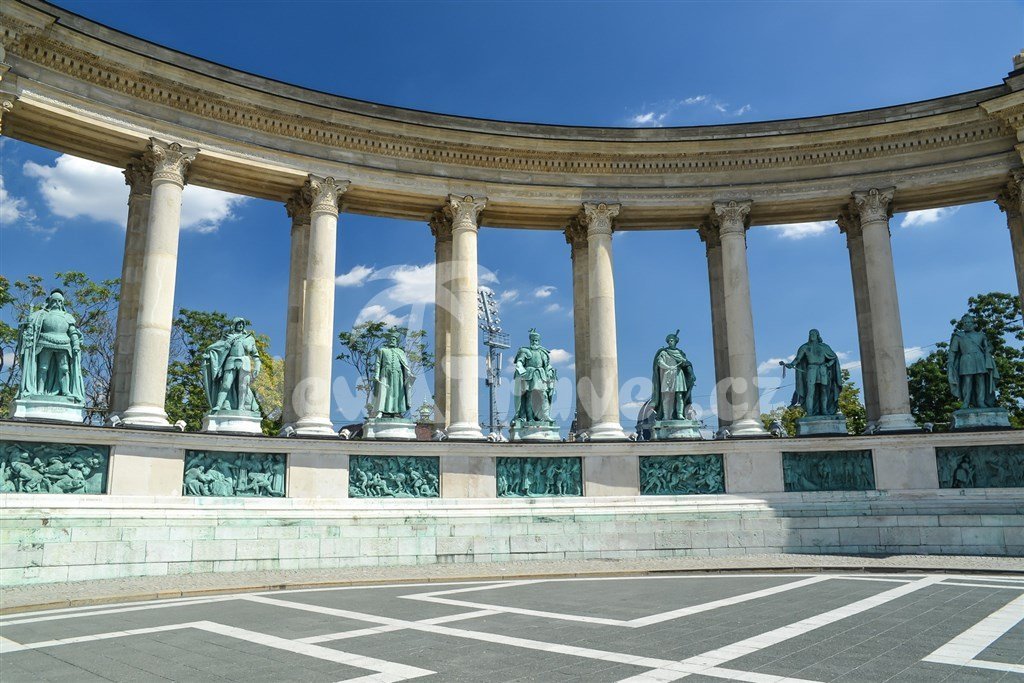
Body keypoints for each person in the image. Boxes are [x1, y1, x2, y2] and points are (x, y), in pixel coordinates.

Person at [16, 290, 85, 402]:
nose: (57, 303)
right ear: (50, 301)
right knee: (43, 367)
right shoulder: (41, 315)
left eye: (59, 301)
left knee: (64, 368)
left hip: (64, 343)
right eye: (54, 301)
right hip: (45, 343)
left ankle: (66, 391)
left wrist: (76, 344)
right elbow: (32, 326)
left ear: (62, 303)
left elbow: (73, 331)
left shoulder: (67, 316)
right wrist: (30, 324)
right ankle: (40, 390)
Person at [201, 318, 262, 413]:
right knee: (225, 385)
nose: (241, 325)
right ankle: (218, 405)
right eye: (239, 323)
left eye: (242, 324)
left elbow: (256, 355)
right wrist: (209, 356)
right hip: (231, 361)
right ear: (234, 325)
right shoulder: (227, 337)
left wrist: (257, 367)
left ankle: (241, 407)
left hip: (245, 362)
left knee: (243, 387)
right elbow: (217, 349)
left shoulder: (249, 338)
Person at [785, 329, 842, 416]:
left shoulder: (824, 347)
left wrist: (828, 364)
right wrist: (791, 364)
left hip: (822, 369)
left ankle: (824, 410)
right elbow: (798, 359)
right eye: (810, 334)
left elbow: (833, 358)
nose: (812, 335)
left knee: (824, 391)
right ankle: (810, 412)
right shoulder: (804, 347)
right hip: (811, 369)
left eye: (814, 333)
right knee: (810, 391)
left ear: (817, 335)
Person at [947, 315, 1000, 409]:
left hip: (979, 359)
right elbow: (953, 351)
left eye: (968, 322)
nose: (966, 324)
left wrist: (989, 349)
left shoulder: (981, 335)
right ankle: (966, 402)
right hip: (966, 359)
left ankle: (981, 401)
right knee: (967, 381)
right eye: (965, 323)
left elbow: (987, 347)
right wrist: (950, 362)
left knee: (981, 380)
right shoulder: (958, 336)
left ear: (973, 323)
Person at [512, 329, 557, 423]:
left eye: (536, 340)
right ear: (530, 340)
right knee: (530, 396)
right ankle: (530, 417)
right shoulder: (524, 351)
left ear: (539, 341)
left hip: (541, 375)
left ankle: (545, 415)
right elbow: (519, 362)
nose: (534, 342)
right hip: (529, 375)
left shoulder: (543, 352)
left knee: (544, 395)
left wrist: (551, 371)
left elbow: (547, 365)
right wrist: (520, 368)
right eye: (532, 340)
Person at [650, 330, 695, 421]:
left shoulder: (680, 352)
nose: (669, 342)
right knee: (667, 396)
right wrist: (668, 367)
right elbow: (659, 362)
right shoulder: (664, 352)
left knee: (679, 396)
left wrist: (683, 362)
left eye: (671, 340)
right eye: (668, 341)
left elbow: (686, 363)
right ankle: (666, 416)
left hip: (678, 375)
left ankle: (679, 414)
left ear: (675, 341)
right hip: (667, 375)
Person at [372, 331, 413, 417]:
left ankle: (396, 411)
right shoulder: (382, 350)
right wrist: (376, 375)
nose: (392, 340)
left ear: (396, 341)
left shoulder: (400, 352)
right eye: (390, 339)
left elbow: (405, 365)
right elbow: (378, 363)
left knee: (397, 393)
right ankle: (380, 411)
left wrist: (409, 373)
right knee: (383, 392)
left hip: (398, 375)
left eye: (394, 339)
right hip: (385, 374)